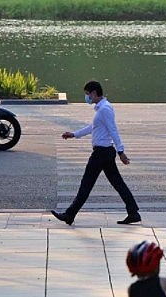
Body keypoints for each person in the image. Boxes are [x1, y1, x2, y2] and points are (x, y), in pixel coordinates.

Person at [51, 81, 141, 226]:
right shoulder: (101, 109)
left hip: (102, 153)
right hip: (104, 152)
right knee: (117, 183)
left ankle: (69, 214)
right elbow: (93, 127)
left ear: (94, 93)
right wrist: (74, 134)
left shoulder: (105, 109)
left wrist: (121, 151)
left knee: (86, 184)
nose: (86, 97)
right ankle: (133, 212)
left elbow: (113, 130)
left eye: (87, 94)